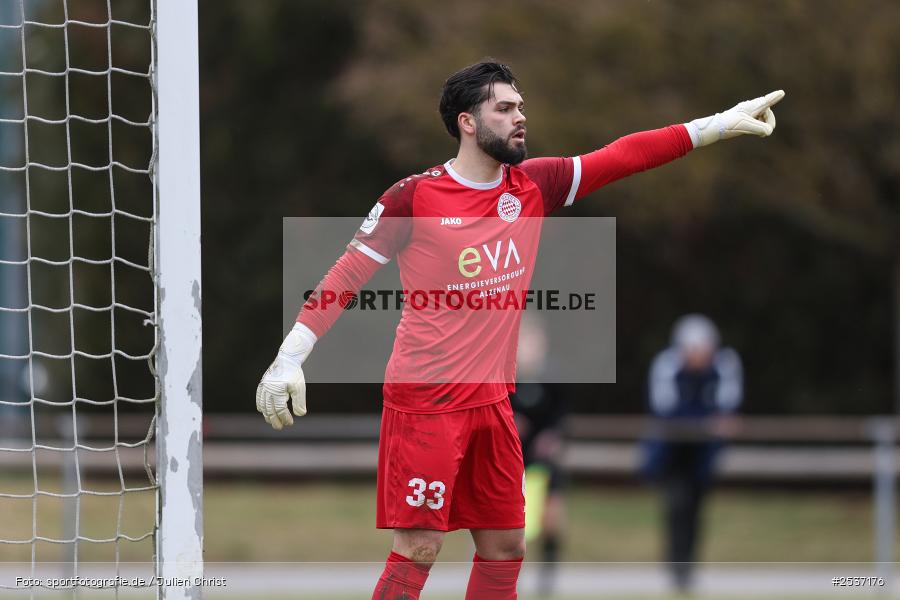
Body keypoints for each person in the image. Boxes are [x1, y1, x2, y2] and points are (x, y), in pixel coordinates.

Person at [255, 61, 780, 599]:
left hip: (493, 401)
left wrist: (717, 125)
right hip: (427, 400)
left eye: (520, 107)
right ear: (467, 122)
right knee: (419, 547)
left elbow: (623, 155)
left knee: (507, 545)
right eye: (504, 109)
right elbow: (346, 275)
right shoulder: (412, 197)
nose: (519, 117)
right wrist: (291, 355)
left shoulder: (533, 184)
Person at [641, 314, 743, 594]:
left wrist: (713, 424)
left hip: (703, 454)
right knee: (676, 506)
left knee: (696, 509)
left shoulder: (723, 366)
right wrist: (707, 422)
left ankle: (688, 567)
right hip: (671, 452)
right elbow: (665, 410)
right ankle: (676, 567)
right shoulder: (667, 366)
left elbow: (728, 408)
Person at [510, 313, 568, 598]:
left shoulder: (553, 378)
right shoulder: (503, 376)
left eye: (535, 341)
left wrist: (552, 436)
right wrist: (509, 425)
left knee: (551, 520)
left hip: (541, 462)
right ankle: (505, 579)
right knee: (510, 528)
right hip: (511, 461)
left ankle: (547, 582)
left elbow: (560, 419)